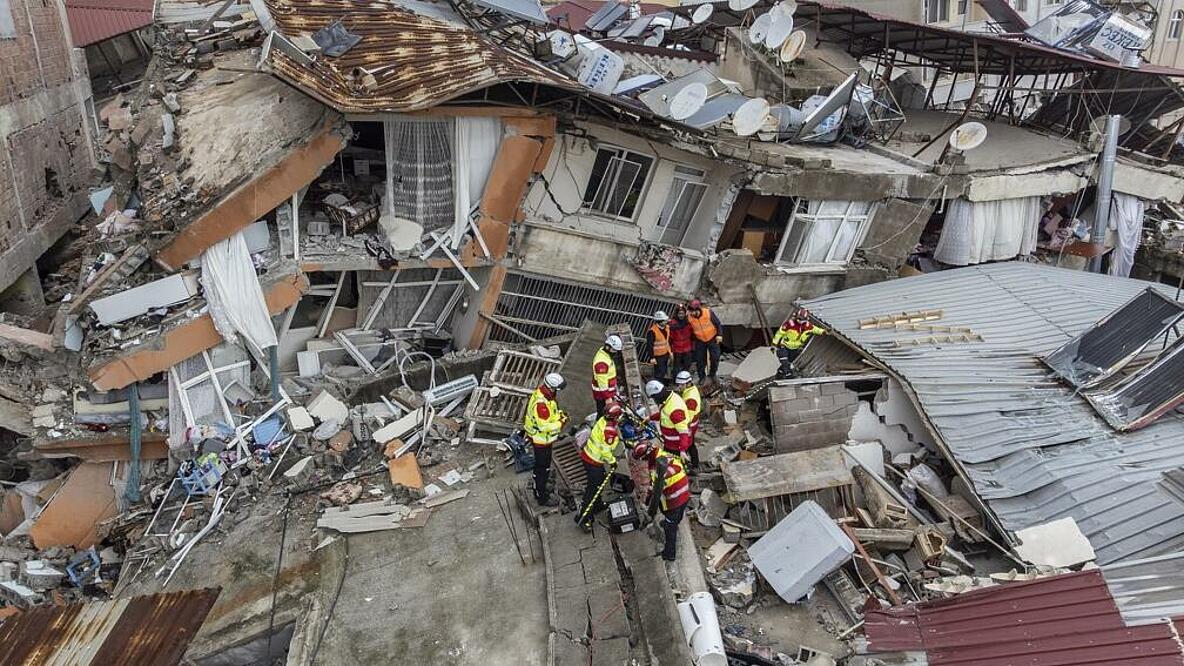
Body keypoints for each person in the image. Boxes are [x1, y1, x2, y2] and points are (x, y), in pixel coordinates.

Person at [634, 442, 690, 562]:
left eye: (642, 458)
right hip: (684, 493)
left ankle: (670, 554)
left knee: (671, 529)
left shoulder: (658, 470)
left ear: (646, 456)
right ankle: (673, 522)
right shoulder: (664, 455)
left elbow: (655, 492)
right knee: (677, 516)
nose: (643, 461)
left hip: (674, 500)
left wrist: (648, 502)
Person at [575, 402, 625, 531]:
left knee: (599, 482)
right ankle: (584, 517)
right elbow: (605, 450)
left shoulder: (603, 420)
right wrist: (613, 461)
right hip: (594, 461)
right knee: (593, 489)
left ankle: (597, 505)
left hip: (590, 457)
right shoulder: (609, 431)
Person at [524, 372, 567, 506]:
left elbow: (551, 413)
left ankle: (541, 485)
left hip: (544, 439)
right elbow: (544, 426)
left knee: (544, 466)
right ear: (551, 387)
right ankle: (540, 495)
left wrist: (560, 415)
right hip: (540, 440)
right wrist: (561, 423)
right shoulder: (541, 404)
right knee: (542, 467)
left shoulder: (545, 395)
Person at [772, 308, 827, 378]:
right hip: (784, 346)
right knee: (784, 361)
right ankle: (789, 375)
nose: (800, 321)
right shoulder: (789, 324)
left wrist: (824, 331)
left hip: (795, 348)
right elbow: (779, 334)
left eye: (802, 319)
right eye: (799, 319)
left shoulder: (808, 326)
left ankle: (780, 373)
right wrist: (774, 344)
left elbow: (815, 329)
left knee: (789, 362)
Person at [644, 379, 691, 458]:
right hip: (669, 443)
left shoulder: (675, 410)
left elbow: (683, 432)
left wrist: (682, 451)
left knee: (675, 467)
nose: (654, 400)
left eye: (654, 398)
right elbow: (665, 414)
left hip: (676, 447)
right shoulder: (670, 398)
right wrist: (650, 418)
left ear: (657, 395)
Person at [686, 299, 723, 384]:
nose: (692, 314)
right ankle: (702, 377)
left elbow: (718, 324)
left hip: (712, 338)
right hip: (700, 340)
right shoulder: (689, 317)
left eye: (694, 312)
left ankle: (712, 374)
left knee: (715, 357)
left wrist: (719, 335)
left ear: (698, 309)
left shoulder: (708, 312)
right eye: (691, 312)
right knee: (700, 360)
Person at [674, 371, 701, 471]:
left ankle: (694, 466)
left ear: (688, 383)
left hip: (690, 424)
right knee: (691, 444)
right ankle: (695, 464)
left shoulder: (690, 398)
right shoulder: (691, 390)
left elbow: (688, 418)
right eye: (678, 385)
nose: (679, 387)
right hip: (693, 422)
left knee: (689, 444)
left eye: (681, 385)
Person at [593, 334, 623, 417]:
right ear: (608, 347)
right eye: (614, 350)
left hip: (607, 392)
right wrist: (607, 398)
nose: (615, 352)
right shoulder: (602, 362)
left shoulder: (605, 355)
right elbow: (602, 383)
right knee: (604, 415)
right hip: (602, 394)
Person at [645, 311, 674, 382]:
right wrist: (652, 357)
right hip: (658, 356)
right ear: (659, 322)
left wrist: (670, 353)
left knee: (664, 371)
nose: (666, 322)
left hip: (666, 354)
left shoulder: (667, 328)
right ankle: (658, 384)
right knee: (659, 373)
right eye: (664, 321)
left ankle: (661, 383)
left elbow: (667, 341)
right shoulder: (652, 331)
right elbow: (650, 345)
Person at [669, 305, 695, 378]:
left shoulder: (688, 322)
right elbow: (670, 337)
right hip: (677, 348)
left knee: (687, 364)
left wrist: (693, 347)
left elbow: (693, 335)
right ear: (676, 314)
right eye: (679, 314)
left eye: (682, 313)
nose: (681, 315)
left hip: (687, 347)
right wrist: (670, 350)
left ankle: (685, 379)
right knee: (676, 366)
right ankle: (676, 380)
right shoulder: (672, 324)